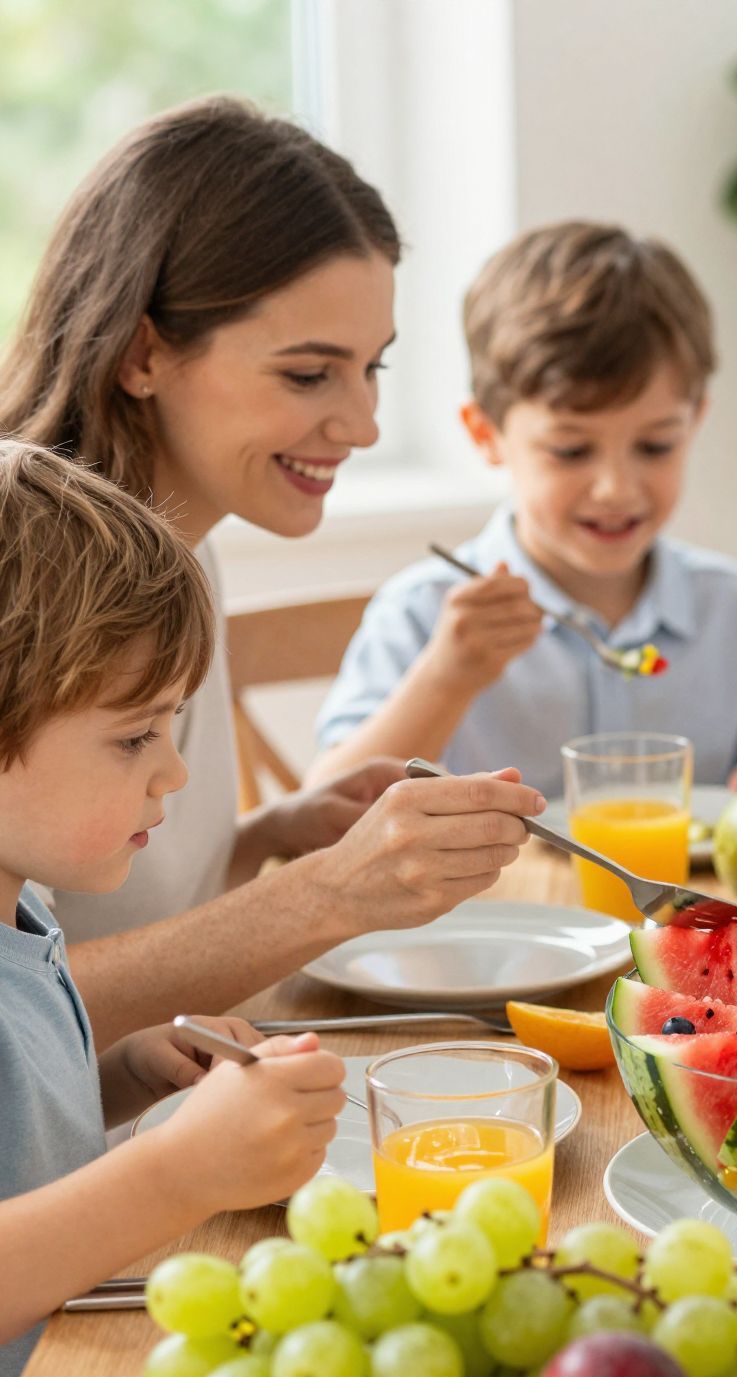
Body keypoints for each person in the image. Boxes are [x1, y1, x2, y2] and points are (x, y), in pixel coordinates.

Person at [0, 97, 541, 1039]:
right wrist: (322, 897)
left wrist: (270, 835)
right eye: (307, 374)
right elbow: (16, 1015)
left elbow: (88, 908)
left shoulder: (183, 551)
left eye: (373, 368)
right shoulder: (27, 578)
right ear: (143, 354)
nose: (363, 425)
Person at [0, 441, 346, 1377]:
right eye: (133, 737)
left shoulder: (23, 906)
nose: (175, 772)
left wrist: (121, 1076)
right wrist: (174, 1173)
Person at [310, 220, 737, 801]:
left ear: (696, 422)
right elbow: (328, 815)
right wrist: (446, 677)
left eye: (656, 445)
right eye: (571, 450)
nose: (616, 488)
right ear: (486, 435)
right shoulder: (422, 615)